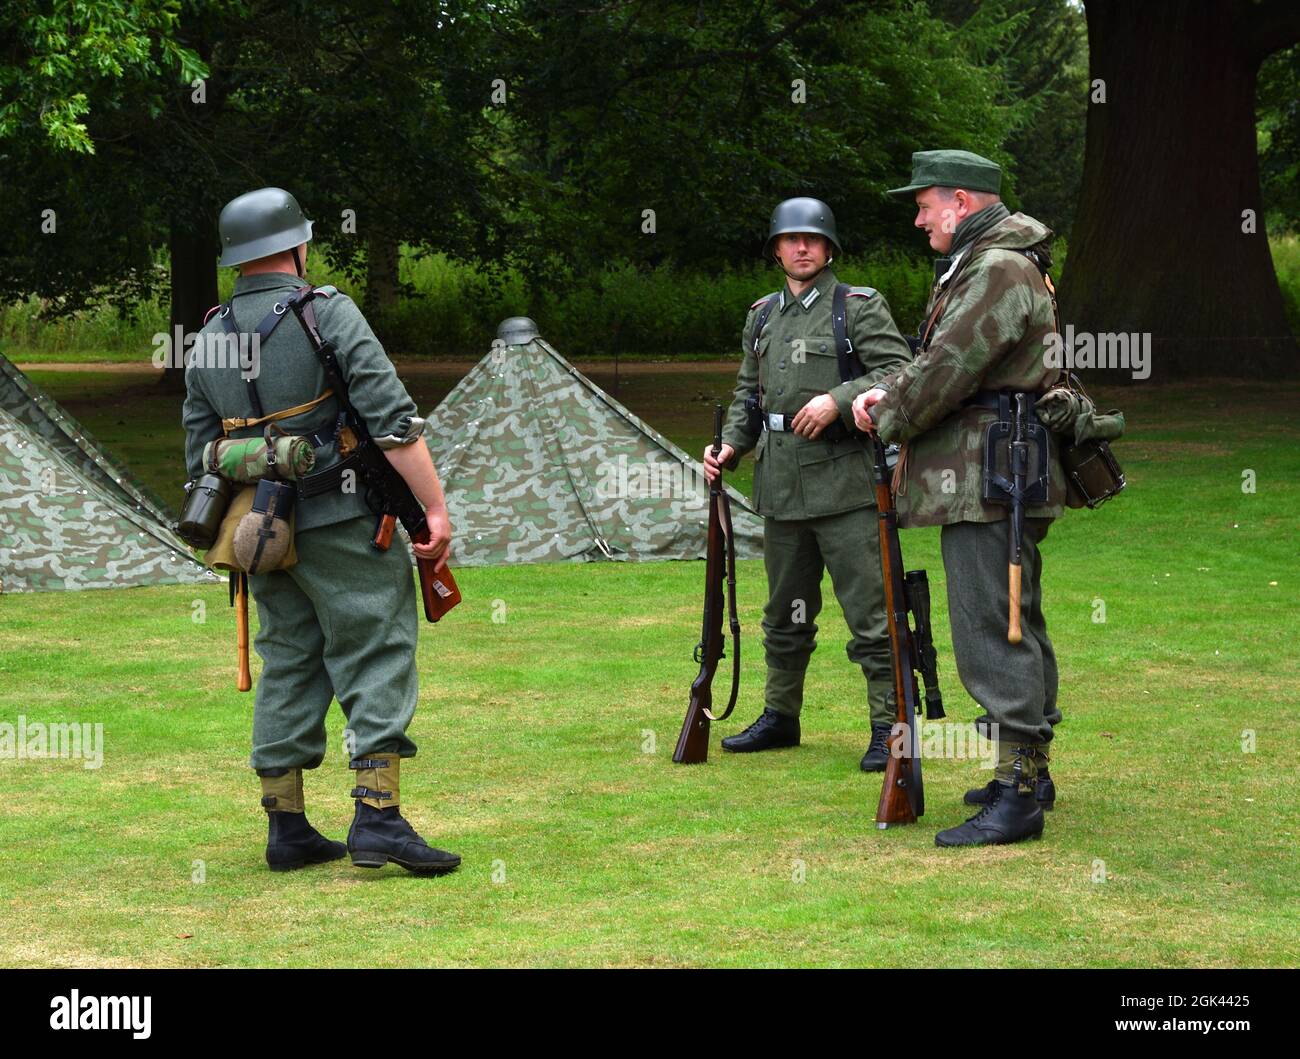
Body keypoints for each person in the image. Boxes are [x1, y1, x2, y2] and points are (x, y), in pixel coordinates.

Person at [182, 187, 460, 874]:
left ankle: (287, 826)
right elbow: (395, 424)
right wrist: (436, 511)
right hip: (341, 521)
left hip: (259, 537)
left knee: (289, 662)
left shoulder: (209, 335)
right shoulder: (324, 313)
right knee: (376, 649)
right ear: (294, 246)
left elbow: (199, 456)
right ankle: (378, 819)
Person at [852, 150, 1065, 847]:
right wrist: (891, 393)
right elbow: (946, 360)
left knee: (991, 625)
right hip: (993, 471)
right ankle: (1027, 771)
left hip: (987, 476)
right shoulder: (990, 261)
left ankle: (1017, 792)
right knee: (1012, 617)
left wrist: (886, 415)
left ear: (963, 201)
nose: (918, 219)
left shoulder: (997, 265)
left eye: (924, 204)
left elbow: (949, 365)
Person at [703, 197, 912, 766]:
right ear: (776, 248)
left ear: (828, 248)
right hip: (781, 488)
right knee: (783, 613)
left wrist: (838, 400)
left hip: (845, 486)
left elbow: (898, 372)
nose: (801, 247)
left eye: (812, 240)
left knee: (872, 613)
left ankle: (889, 727)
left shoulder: (857, 308)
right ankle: (780, 715)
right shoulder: (763, 315)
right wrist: (731, 445)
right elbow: (751, 393)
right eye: (791, 239)